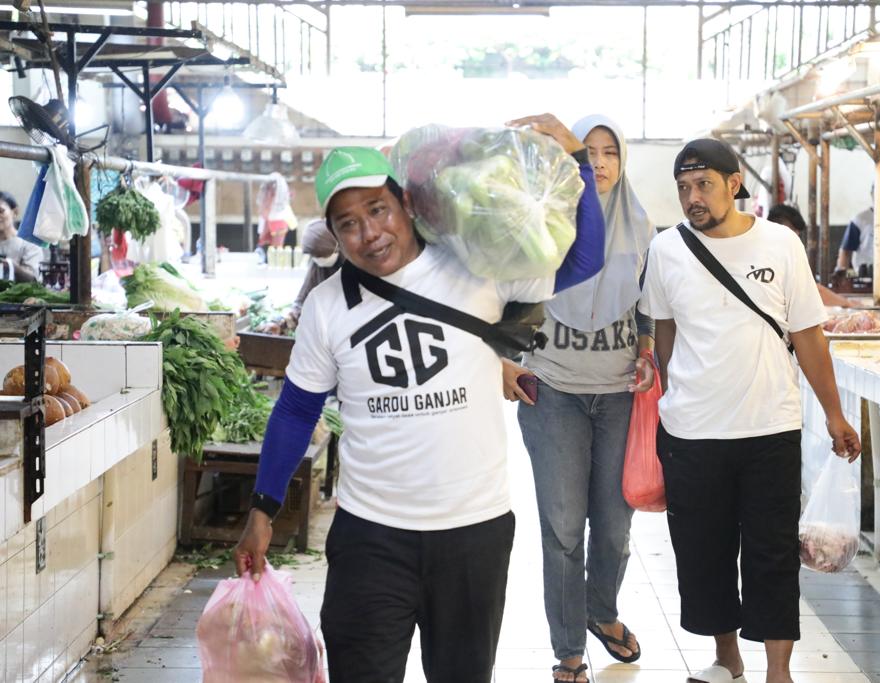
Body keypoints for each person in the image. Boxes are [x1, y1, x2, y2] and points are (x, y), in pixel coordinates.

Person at [233, 113, 607, 683]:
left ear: (406, 203)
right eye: (348, 224)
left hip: (474, 529)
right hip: (370, 534)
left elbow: (585, 260)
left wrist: (579, 161)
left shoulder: (477, 266)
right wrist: (262, 509)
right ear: (334, 233)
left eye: (377, 210)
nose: (369, 233)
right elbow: (297, 409)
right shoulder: (327, 308)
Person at [639, 139, 862, 683]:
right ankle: (727, 658)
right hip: (692, 432)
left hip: (770, 426)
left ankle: (778, 671)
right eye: (684, 188)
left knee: (773, 553)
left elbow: (808, 335)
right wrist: (672, 393)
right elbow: (664, 334)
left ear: (734, 184)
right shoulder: (666, 249)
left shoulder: (780, 244)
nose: (692, 197)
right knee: (704, 552)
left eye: (703, 185)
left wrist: (834, 413)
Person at [501, 115, 655, 683]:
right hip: (554, 392)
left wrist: (647, 350)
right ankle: (569, 651)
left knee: (614, 526)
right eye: (586, 151)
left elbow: (647, 305)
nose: (598, 161)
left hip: (619, 395)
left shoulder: (642, 225)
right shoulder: (544, 220)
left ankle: (601, 611)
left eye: (609, 151)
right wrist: (503, 358)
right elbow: (508, 298)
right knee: (563, 528)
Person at [767, 204, 853, 308]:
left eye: (797, 236)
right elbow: (811, 292)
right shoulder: (774, 255)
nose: (795, 240)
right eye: (792, 234)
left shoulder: (783, 251)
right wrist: (847, 303)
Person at [286, 218, 343, 324]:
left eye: (322, 255)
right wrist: (292, 315)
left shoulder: (354, 263)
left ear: (336, 247)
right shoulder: (317, 265)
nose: (319, 259)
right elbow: (305, 294)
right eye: (315, 256)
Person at [0, 191, 42, 282]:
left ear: (15, 212)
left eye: (1, 211)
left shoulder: (29, 242)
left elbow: (34, 279)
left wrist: (12, 267)